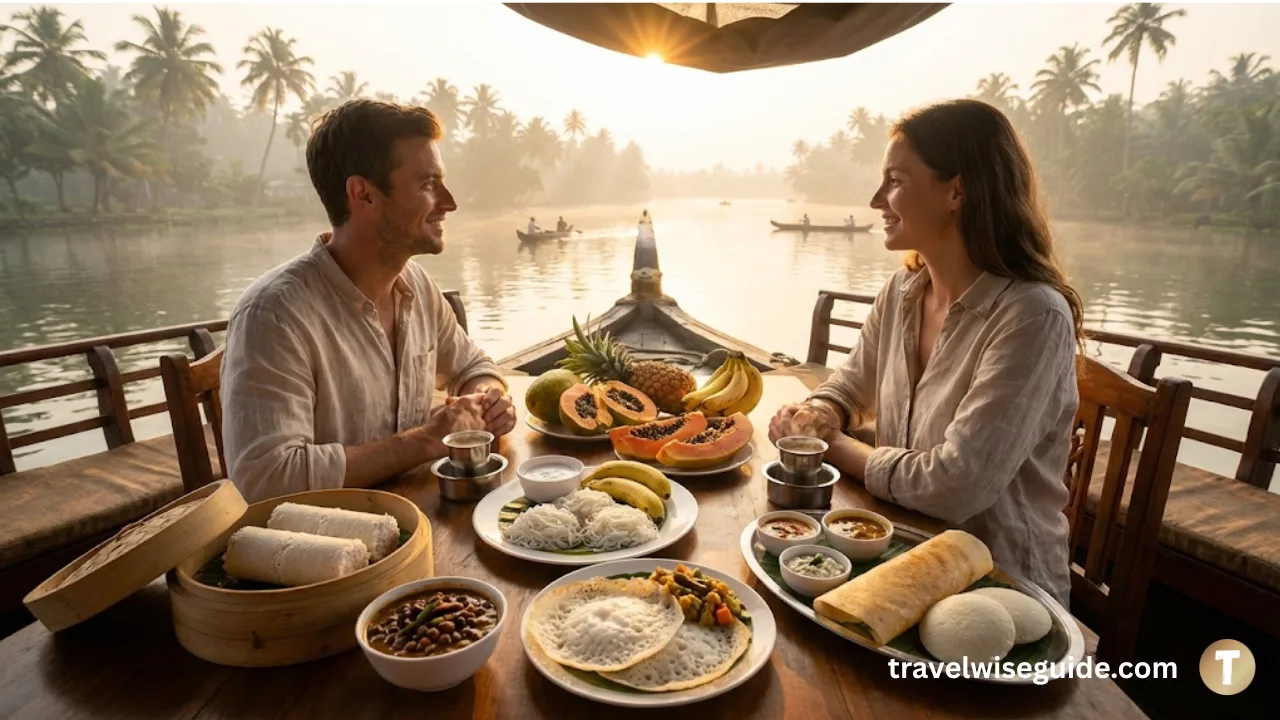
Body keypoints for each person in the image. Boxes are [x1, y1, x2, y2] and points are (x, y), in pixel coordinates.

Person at [768, 99, 1084, 606]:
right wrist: (820, 411)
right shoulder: (903, 291)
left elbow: (956, 486)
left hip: (1002, 589)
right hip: (903, 555)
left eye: (895, 180)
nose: (876, 199)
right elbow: (850, 385)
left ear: (956, 191)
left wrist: (831, 445)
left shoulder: (1032, 317)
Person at [221, 100, 516, 503]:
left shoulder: (416, 286)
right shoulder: (273, 317)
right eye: (428, 185)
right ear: (363, 194)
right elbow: (266, 479)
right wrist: (425, 440)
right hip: (329, 552)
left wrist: (489, 397)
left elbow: (473, 365)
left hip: (417, 520)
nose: (449, 202)